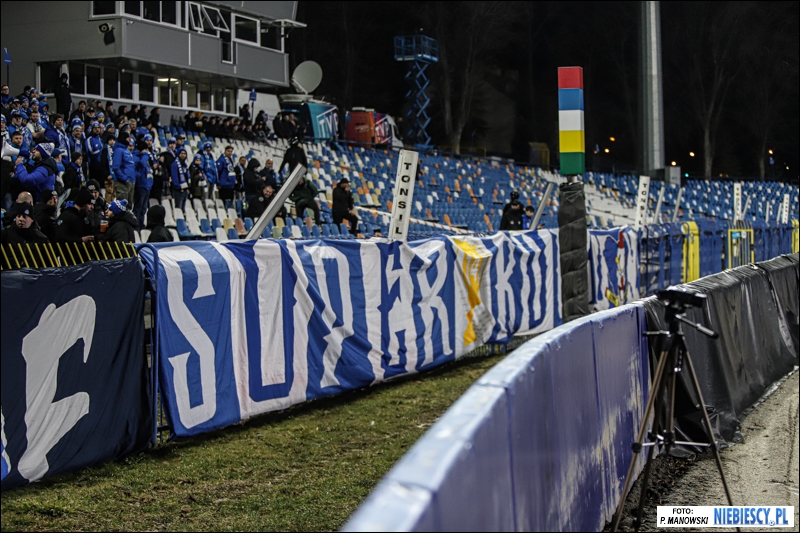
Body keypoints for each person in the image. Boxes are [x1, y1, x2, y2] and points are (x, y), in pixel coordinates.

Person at [133, 140, 154, 228]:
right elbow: (141, 164)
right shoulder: (136, 156)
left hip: (146, 186)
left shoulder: (144, 157)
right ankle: (136, 225)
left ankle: (141, 225)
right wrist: (145, 154)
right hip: (140, 185)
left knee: (143, 208)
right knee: (138, 208)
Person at [112, 137, 137, 204]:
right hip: (123, 182)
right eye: (128, 138)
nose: (129, 140)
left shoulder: (127, 151)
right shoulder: (118, 150)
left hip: (131, 181)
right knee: (122, 206)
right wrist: (124, 178)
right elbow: (115, 167)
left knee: (129, 206)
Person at [170, 146, 190, 210]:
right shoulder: (175, 164)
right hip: (178, 190)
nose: (183, 155)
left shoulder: (185, 165)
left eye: (184, 154)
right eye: (181, 153)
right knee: (178, 208)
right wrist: (179, 187)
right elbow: (174, 177)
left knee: (183, 208)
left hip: (185, 190)